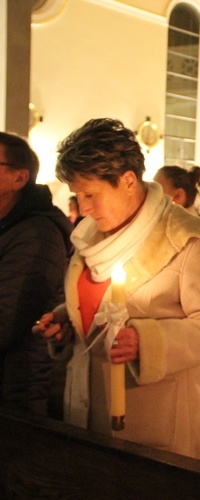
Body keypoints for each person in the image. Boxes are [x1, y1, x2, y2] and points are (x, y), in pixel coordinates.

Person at [33, 118, 200, 460]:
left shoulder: (186, 240)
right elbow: (104, 304)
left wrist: (147, 341)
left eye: (90, 194)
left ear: (128, 181)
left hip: (153, 426)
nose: (82, 208)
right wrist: (67, 322)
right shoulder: (92, 235)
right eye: (77, 195)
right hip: (88, 410)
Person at [0, 132, 72, 417]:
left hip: (14, 390)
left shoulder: (37, 234)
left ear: (19, 178)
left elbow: (8, 320)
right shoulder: (8, 225)